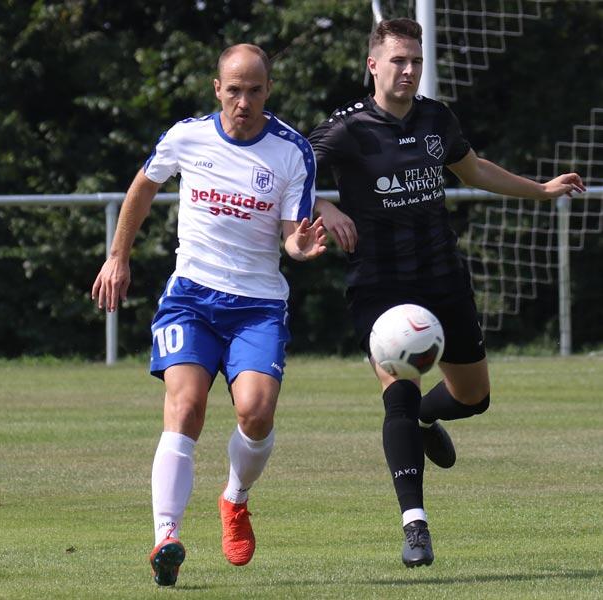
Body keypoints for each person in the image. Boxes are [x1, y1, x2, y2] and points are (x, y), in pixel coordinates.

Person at [307, 18, 586, 568]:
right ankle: (415, 525)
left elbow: (474, 168)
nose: (408, 70)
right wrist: (325, 205)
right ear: (373, 65)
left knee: (473, 397)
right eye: (398, 61)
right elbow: (289, 177)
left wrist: (540, 191)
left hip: (442, 276)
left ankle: (429, 421)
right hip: (380, 285)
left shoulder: (437, 117)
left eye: (415, 61)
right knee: (399, 396)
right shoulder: (345, 128)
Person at [91, 43, 327, 587]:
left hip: (258, 305)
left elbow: (292, 237)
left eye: (255, 90)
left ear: (268, 91)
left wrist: (303, 248)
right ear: (217, 88)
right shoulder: (186, 137)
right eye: (234, 89)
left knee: (256, 412)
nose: (244, 100)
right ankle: (166, 537)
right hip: (191, 298)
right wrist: (118, 256)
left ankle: (235, 499)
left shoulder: (292, 152)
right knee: (186, 404)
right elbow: (143, 186)